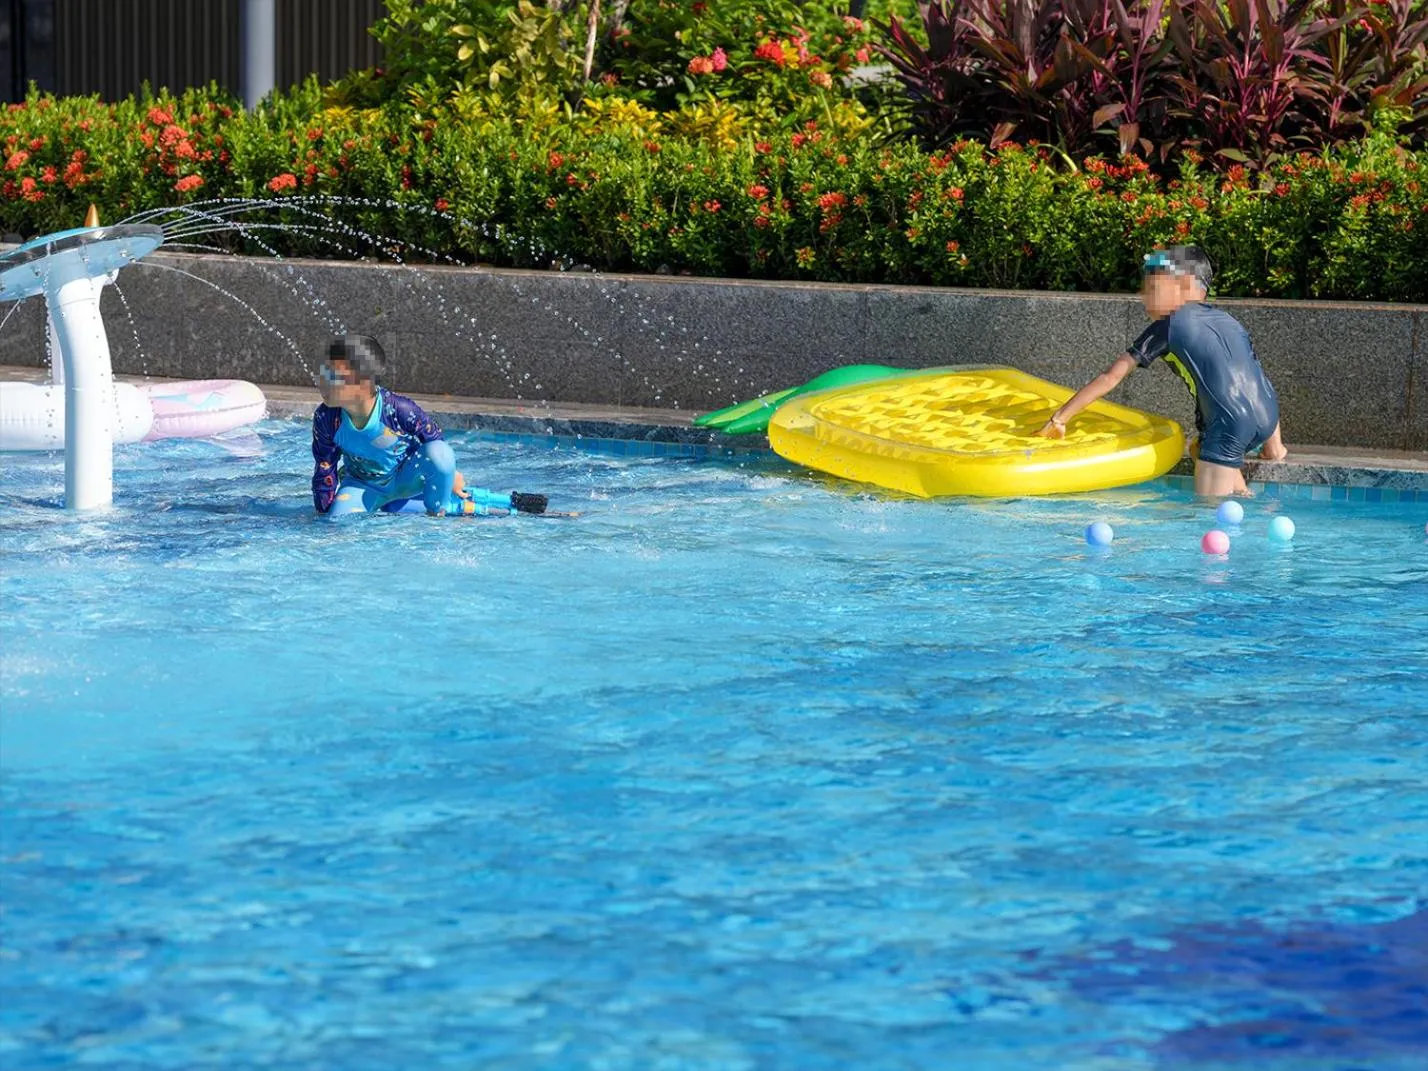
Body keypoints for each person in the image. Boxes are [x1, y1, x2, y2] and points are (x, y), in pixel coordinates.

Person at [1037, 246, 1287, 496]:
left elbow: (1110, 377)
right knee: (1200, 448)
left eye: (1153, 289)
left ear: (1185, 287)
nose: (1144, 297)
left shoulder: (1167, 326)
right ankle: (1243, 491)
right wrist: (1274, 448)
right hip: (1267, 416)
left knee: (1210, 517)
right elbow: (1256, 378)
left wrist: (1059, 418)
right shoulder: (1229, 322)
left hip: (1228, 425)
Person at [311, 334, 547, 518]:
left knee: (439, 453)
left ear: (364, 382)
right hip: (364, 486)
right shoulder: (327, 419)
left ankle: (440, 511)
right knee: (340, 522)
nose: (321, 381)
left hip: (408, 478)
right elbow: (325, 468)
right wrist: (323, 514)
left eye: (332, 376)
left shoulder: (398, 410)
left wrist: (450, 475)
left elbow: (435, 443)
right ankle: (400, 505)